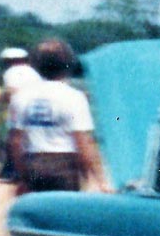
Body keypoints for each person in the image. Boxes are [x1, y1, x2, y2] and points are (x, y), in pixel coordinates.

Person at [7, 39, 112, 193]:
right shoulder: (75, 97)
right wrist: (100, 180)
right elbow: (84, 142)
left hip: (33, 162)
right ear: (67, 65)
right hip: (64, 165)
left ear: (36, 65)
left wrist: (23, 176)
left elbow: (15, 141)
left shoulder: (21, 97)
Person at [0, 48, 42, 179]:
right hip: (35, 108)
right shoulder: (33, 73)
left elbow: (11, 92)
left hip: (17, 107)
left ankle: (11, 170)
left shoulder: (11, 72)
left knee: (12, 138)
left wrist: (4, 101)